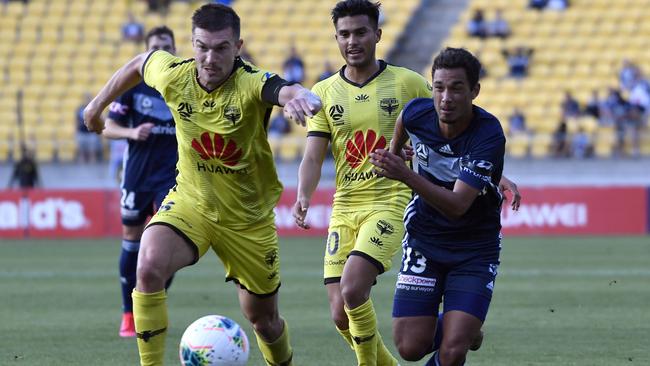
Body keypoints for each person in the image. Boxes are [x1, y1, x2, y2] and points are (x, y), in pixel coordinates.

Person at [83, 4, 321, 366]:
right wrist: (96, 107)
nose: (210, 58)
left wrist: (299, 95)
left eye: (221, 48)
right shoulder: (175, 74)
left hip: (247, 220)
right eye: (202, 47)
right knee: (146, 265)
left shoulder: (251, 82)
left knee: (264, 321)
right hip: (191, 203)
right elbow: (139, 63)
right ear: (192, 44)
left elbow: (283, 90)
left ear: (238, 46)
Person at [292, 3, 519, 365]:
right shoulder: (324, 91)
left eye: (361, 32)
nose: (353, 41)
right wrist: (304, 195)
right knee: (346, 316)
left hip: (393, 202)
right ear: (335, 38)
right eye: (345, 34)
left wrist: (492, 173)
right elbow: (314, 155)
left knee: (354, 290)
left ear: (378, 35)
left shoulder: (409, 82)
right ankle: (461, 325)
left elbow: (458, 124)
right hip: (347, 206)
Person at [369, 47, 507, 366]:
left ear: (474, 91)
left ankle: (462, 328)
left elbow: (458, 205)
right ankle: (465, 324)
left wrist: (403, 173)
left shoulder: (488, 134)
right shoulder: (419, 112)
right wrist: (396, 151)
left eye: (457, 88)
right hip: (425, 240)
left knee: (453, 349)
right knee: (409, 348)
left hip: (475, 247)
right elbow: (405, 118)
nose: (446, 97)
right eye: (439, 87)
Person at [102, 25, 179, 338]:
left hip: (174, 179)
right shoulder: (132, 87)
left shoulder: (184, 85)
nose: (161, 51)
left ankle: (149, 301)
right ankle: (128, 314)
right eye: (155, 47)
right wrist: (132, 133)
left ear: (175, 50)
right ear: (146, 54)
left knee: (168, 247)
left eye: (167, 46)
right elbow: (108, 127)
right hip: (137, 176)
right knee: (131, 242)